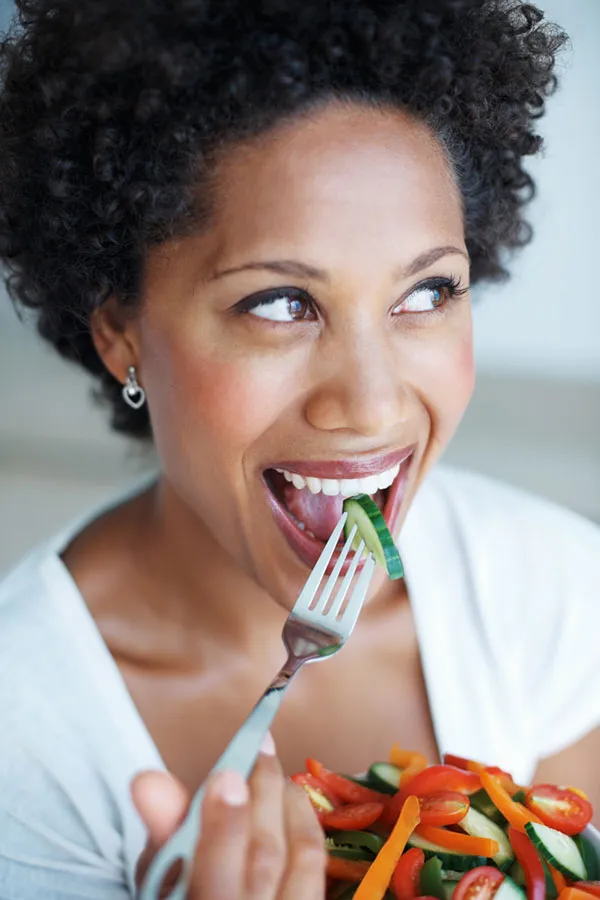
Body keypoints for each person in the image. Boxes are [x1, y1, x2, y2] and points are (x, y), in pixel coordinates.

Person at [1, 0, 599, 897]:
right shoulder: (23, 742)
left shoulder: (554, 594)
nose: (372, 403)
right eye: (280, 303)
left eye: (429, 291)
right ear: (122, 331)